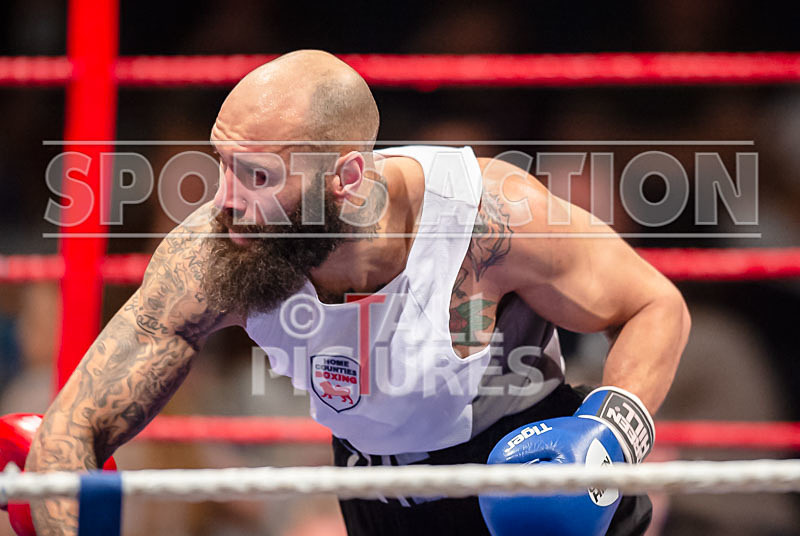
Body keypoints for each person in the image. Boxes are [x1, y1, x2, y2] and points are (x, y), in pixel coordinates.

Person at [23, 50, 690, 535]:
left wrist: (605, 438)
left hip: (533, 474)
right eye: (222, 164)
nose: (224, 200)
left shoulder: (489, 217)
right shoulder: (216, 253)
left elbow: (654, 306)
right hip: (376, 498)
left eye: (256, 175)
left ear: (345, 178)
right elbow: (74, 424)